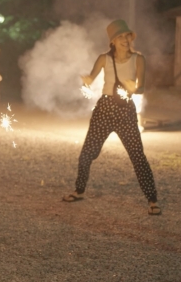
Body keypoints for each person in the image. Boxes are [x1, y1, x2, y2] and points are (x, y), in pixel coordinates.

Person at [62, 20, 161, 215]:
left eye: (127, 36)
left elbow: (141, 88)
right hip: (104, 109)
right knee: (87, 154)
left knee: (138, 156)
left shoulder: (138, 59)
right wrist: (86, 82)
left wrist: (135, 88)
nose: (125, 40)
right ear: (113, 41)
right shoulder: (103, 59)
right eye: (121, 37)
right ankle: (79, 190)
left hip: (125, 111)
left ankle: (152, 200)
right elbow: (91, 79)